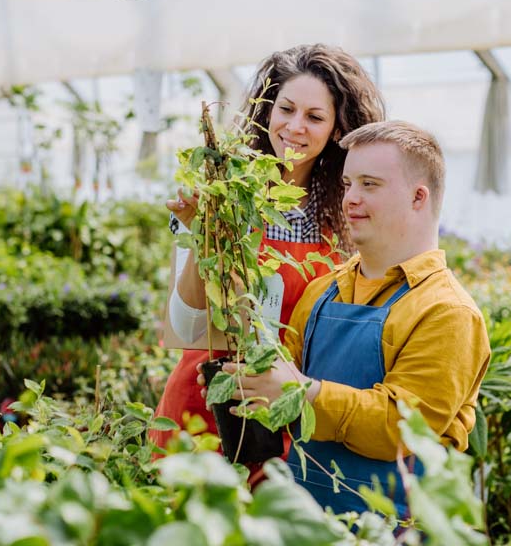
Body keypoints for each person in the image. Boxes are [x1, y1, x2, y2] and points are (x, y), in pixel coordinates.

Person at [217, 120, 491, 517]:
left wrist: (301, 393)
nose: (350, 199)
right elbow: (279, 387)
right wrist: (244, 384)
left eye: (370, 184)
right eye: (348, 184)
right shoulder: (323, 290)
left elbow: (401, 427)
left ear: (418, 197)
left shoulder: (446, 311)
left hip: (396, 526)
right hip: (307, 518)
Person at [150, 44, 386, 453]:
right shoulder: (222, 197)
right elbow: (187, 328)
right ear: (267, 112)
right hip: (201, 408)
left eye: (314, 117)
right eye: (286, 109)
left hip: (284, 421)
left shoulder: (345, 224)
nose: (295, 126)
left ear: (336, 130)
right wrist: (206, 233)